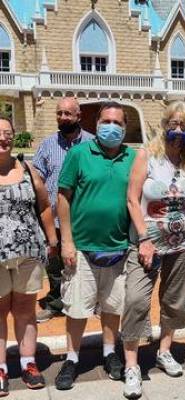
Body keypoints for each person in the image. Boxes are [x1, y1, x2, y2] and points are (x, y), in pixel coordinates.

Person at [121, 100, 185, 399]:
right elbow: (132, 199)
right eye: (173, 124)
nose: (177, 130)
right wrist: (143, 238)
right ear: (165, 124)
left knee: (175, 301)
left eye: (184, 126)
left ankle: (164, 351)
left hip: (182, 245)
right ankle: (131, 365)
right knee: (136, 300)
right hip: (147, 245)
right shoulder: (147, 155)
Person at [54, 102, 136, 390]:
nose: (111, 126)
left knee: (113, 307)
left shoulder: (132, 157)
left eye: (117, 122)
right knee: (77, 309)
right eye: (106, 121)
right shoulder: (79, 153)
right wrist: (67, 241)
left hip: (119, 248)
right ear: (97, 123)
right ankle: (72, 359)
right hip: (82, 249)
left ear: (125, 128)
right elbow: (63, 198)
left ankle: (109, 353)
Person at [0, 117, 58, 395]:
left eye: (8, 133)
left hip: (28, 253)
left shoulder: (27, 169)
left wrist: (53, 237)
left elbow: (45, 206)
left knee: (25, 310)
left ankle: (28, 363)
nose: (3, 138)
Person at [33, 97, 93, 323]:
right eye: (59, 113)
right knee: (55, 264)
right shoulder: (47, 145)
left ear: (78, 116)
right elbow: (37, 179)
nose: (63, 118)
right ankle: (56, 302)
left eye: (68, 113)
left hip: (83, 218)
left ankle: (86, 301)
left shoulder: (92, 144)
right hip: (54, 220)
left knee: (84, 262)